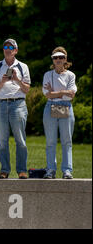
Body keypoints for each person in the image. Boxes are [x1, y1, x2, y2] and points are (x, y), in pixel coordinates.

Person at [0, 38, 31, 179]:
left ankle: (22, 170)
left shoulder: (23, 67)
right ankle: (5, 170)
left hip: (18, 104)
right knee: (2, 141)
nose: (8, 49)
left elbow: (26, 90)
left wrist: (17, 79)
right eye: (5, 46)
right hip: (1, 105)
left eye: (11, 47)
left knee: (20, 140)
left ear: (16, 51)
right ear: (3, 50)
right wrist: (2, 82)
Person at [42, 47, 77, 179]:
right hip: (50, 107)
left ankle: (67, 170)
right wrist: (63, 92)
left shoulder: (71, 75)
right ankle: (50, 169)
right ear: (52, 59)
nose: (58, 60)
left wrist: (56, 93)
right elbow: (47, 94)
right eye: (55, 57)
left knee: (66, 141)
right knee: (51, 141)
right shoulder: (47, 75)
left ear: (65, 59)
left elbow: (71, 96)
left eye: (61, 57)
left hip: (65, 107)